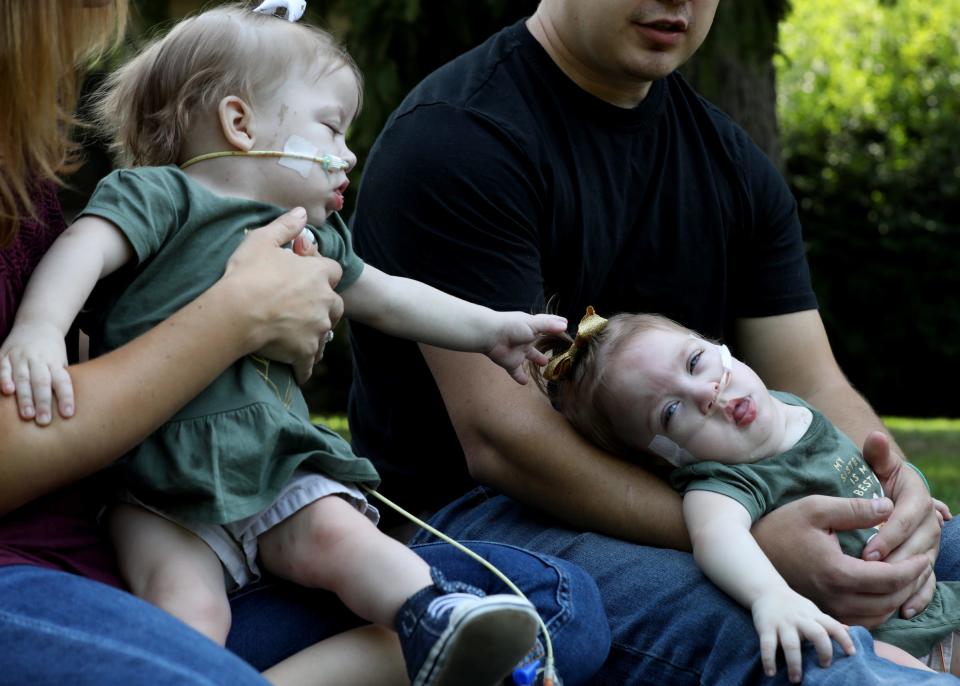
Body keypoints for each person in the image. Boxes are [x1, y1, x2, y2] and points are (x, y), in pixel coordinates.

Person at [347, 0, 960, 682]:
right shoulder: (457, 141)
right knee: (808, 652)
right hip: (481, 524)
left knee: (945, 551)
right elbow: (504, 440)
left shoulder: (731, 164)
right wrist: (751, 544)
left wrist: (898, 495)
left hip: (730, 491)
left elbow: (815, 384)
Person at [0, 4, 613, 685]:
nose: (350, 153)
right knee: (182, 609)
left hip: (276, 464)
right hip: (155, 488)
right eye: (331, 127)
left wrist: (489, 328)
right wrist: (39, 328)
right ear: (240, 124)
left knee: (340, 538)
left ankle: (429, 614)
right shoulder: (158, 196)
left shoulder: (312, 235)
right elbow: (81, 250)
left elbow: (388, 295)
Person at [533, 306, 960, 680]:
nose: (706, 392)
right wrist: (770, 596)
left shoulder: (786, 406)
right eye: (671, 411)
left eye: (696, 361)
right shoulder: (720, 483)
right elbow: (718, 539)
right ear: (664, 457)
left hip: (933, 603)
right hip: (883, 638)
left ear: (718, 345)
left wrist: (904, 496)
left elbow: (855, 472)